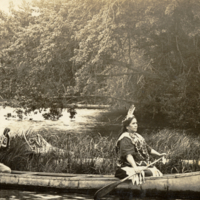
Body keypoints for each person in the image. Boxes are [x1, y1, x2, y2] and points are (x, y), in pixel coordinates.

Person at [115, 107, 166, 182]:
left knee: (154, 171)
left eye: (136, 123)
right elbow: (128, 155)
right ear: (127, 127)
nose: (136, 125)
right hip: (128, 167)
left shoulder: (138, 136)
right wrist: (135, 167)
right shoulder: (124, 138)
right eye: (133, 123)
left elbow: (147, 149)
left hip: (140, 166)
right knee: (149, 172)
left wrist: (159, 155)